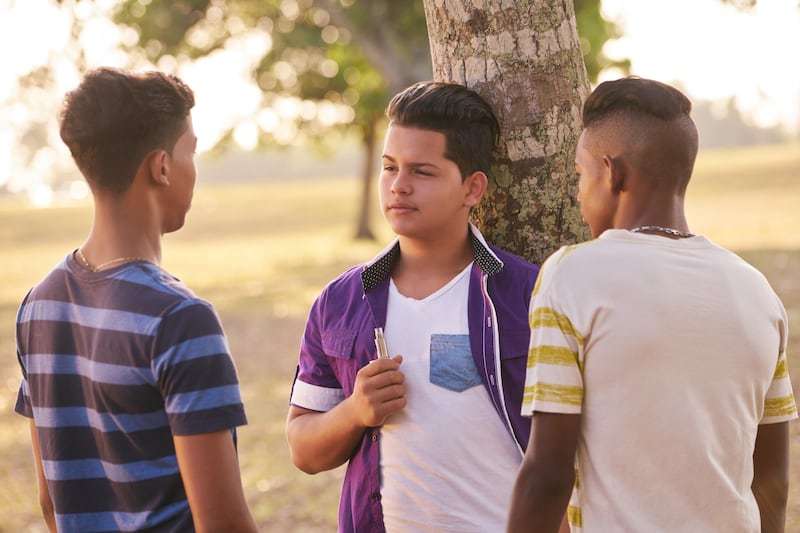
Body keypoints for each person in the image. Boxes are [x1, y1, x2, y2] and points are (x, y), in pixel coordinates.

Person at [507, 76, 798, 533]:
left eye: (581, 175)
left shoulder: (572, 276)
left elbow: (546, 477)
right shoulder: (758, 292)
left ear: (611, 172)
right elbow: (775, 482)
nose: (579, 195)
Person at [286, 81, 540, 532]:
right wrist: (355, 411)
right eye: (389, 168)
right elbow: (303, 450)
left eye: (422, 172)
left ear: (472, 188)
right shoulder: (341, 302)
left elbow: (573, 451)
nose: (399, 187)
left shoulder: (528, 296)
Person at [14, 67, 258, 532]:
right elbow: (222, 523)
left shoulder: (37, 306)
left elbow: (51, 503)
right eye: (192, 151)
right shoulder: (180, 319)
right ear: (161, 166)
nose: (194, 169)